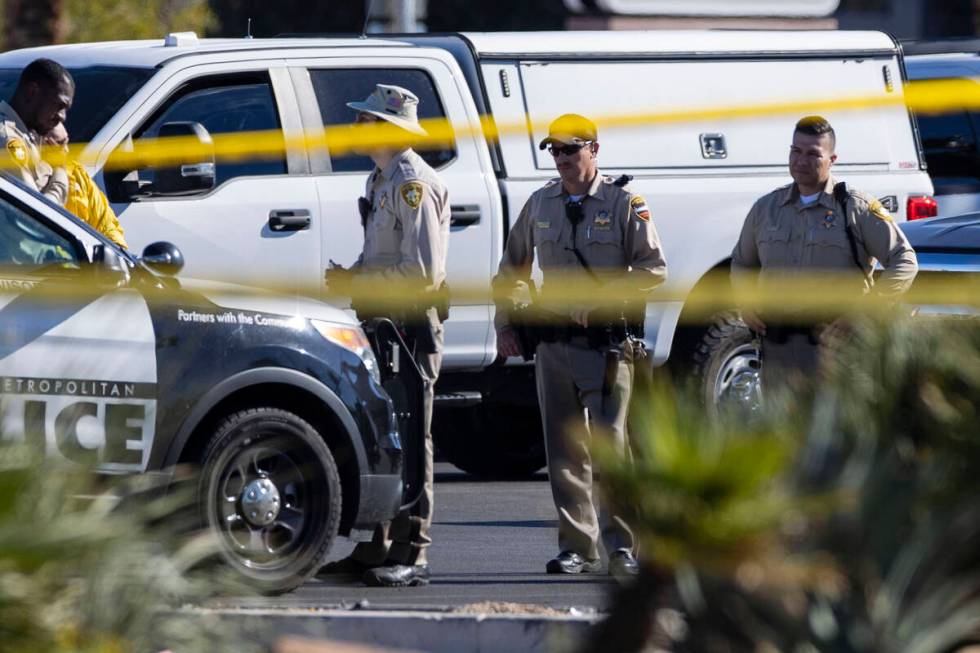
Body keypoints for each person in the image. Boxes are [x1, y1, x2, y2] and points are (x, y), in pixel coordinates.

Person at [493, 114, 667, 579]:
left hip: (607, 347)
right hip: (553, 346)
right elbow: (511, 271)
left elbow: (653, 269)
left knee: (612, 449)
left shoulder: (624, 202)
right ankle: (577, 546)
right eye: (555, 151)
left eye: (571, 150)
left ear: (594, 150)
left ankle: (623, 548)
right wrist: (505, 321)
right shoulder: (540, 203)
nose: (562, 159)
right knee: (564, 452)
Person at [320, 84, 450, 588]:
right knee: (384, 434)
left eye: (366, 118)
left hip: (409, 326)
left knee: (413, 436)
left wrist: (359, 281)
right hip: (383, 323)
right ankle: (377, 544)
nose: (356, 126)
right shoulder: (381, 180)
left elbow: (421, 272)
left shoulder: (413, 183)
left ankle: (412, 551)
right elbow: (383, 257)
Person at [731, 115, 918, 392]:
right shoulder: (766, 209)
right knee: (783, 431)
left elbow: (904, 260)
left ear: (832, 159)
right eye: (795, 151)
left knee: (836, 431)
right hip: (779, 345)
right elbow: (742, 262)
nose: (801, 160)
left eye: (813, 154)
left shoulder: (854, 207)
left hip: (836, 347)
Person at [0, 58, 74, 205]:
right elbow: (37, 210)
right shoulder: (8, 139)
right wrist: (59, 167)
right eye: (59, 105)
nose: (62, 117)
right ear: (31, 91)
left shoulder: (31, 135)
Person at [43, 123, 128, 248]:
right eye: (59, 144)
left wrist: (113, 252)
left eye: (67, 143)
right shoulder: (27, 175)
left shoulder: (76, 173)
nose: (66, 150)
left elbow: (107, 225)